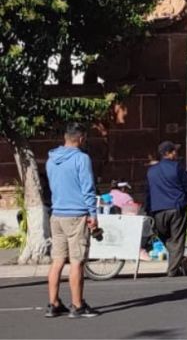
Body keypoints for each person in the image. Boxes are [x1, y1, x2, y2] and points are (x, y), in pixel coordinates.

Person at [45, 123, 100, 318]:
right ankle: (77, 305)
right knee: (77, 260)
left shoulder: (51, 159)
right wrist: (93, 215)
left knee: (58, 260)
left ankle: (53, 303)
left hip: (57, 213)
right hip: (76, 214)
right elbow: (87, 188)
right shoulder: (82, 159)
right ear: (81, 138)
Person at [146, 141, 187, 277]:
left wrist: (148, 208)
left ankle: (179, 261)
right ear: (168, 153)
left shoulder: (151, 171)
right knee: (177, 239)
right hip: (175, 207)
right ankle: (173, 269)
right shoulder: (177, 167)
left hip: (158, 210)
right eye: (174, 151)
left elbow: (148, 192)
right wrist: (182, 196)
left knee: (165, 236)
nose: (176, 154)